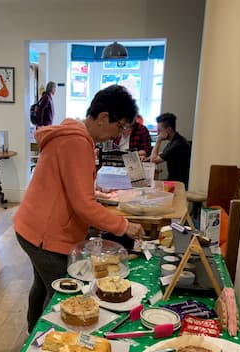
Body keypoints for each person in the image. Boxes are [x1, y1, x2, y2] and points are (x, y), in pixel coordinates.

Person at [14, 85, 145, 332]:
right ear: (104, 117)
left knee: (43, 286)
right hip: (46, 235)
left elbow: (64, 185)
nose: (118, 135)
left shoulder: (72, 135)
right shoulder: (77, 141)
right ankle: (43, 344)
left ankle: (32, 333)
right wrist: (124, 226)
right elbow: (83, 206)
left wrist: (93, 192)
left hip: (31, 227)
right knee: (63, 297)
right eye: (120, 127)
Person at [150, 112, 191, 187]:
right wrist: (146, 158)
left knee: (150, 186)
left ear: (169, 129)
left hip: (178, 184)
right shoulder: (175, 141)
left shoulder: (178, 144)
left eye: (160, 130)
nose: (158, 133)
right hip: (173, 180)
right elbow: (162, 154)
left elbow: (153, 160)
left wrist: (158, 141)